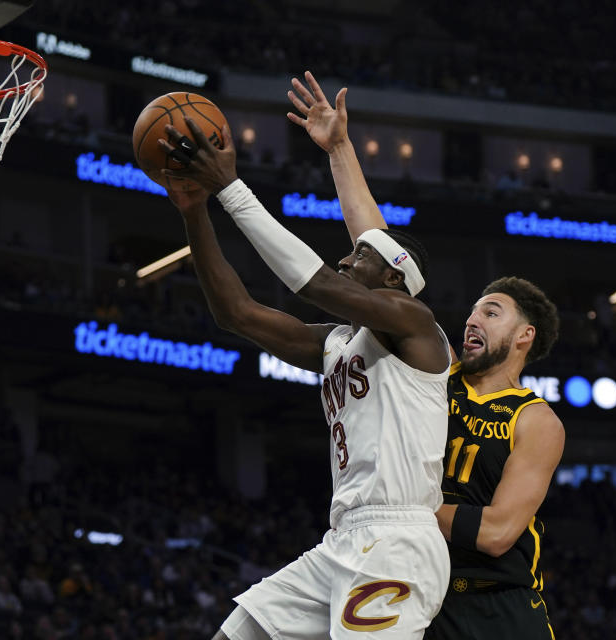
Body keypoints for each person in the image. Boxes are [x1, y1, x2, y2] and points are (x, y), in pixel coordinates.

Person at [288, 70, 566, 640]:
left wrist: (397, 505)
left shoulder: (536, 420)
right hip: (422, 583)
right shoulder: (434, 375)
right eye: (472, 309)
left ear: (525, 337)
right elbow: (379, 249)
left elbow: (496, 533)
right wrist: (340, 148)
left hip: (500, 604)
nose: (471, 318)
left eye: (492, 312)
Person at [157, 116, 452, 639]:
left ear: (393, 281)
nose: (345, 257)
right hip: (342, 540)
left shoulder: (417, 326)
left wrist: (230, 188)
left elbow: (313, 284)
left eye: (360, 254)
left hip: (398, 542)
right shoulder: (337, 342)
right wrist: (194, 211)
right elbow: (237, 315)